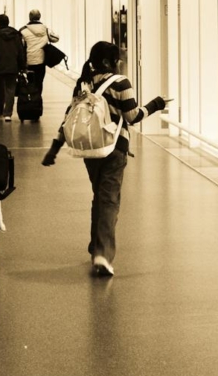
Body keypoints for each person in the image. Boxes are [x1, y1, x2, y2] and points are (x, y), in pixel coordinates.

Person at [42, 41, 166, 278]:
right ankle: (102, 254)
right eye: (119, 60)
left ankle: (95, 247)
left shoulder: (84, 84)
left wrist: (55, 148)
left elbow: (70, 117)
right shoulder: (121, 83)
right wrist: (155, 105)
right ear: (110, 62)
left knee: (99, 196)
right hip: (114, 149)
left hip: (90, 152)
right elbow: (132, 116)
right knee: (109, 201)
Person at [0, 14, 26, 122]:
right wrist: (22, 66)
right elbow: (20, 51)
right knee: (10, 89)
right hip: (13, 65)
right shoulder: (16, 34)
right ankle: (8, 113)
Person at [19, 9, 60, 96]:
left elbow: (20, 46)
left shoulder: (23, 30)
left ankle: (30, 100)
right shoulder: (45, 29)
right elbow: (56, 38)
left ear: (29, 17)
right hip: (41, 61)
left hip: (28, 62)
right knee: (39, 82)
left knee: (30, 82)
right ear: (39, 17)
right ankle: (37, 100)